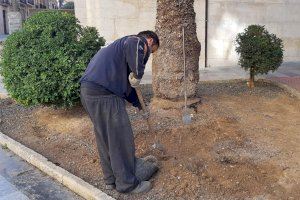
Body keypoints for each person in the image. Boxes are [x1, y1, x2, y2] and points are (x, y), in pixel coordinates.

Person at [80, 31, 159, 193]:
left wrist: (139, 105)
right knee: (121, 140)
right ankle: (127, 184)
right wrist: (138, 74)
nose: (149, 54)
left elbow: (128, 89)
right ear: (150, 40)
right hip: (106, 96)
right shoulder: (136, 41)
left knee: (106, 139)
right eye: (152, 50)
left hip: (89, 92)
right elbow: (136, 47)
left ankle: (111, 181)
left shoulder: (118, 53)